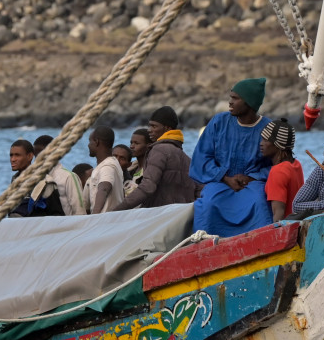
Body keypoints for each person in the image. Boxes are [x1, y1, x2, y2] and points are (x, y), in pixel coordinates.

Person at [189, 78, 274, 237]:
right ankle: (205, 247)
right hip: (220, 181)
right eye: (231, 97)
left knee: (260, 202)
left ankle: (262, 246)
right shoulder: (218, 122)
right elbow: (202, 158)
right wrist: (225, 177)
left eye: (235, 98)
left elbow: (277, 164)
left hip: (254, 183)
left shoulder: (268, 128)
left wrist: (251, 177)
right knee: (208, 204)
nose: (230, 102)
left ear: (249, 102)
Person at [114, 106, 197, 211]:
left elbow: (147, 187)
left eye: (154, 126)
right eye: (150, 126)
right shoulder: (185, 157)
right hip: (180, 216)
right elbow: (198, 190)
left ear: (167, 128)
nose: (149, 130)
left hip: (159, 215)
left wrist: (117, 210)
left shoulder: (158, 150)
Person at [260, 119, 304, 222]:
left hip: (287, 227)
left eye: (266, 140)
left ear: (278, 144)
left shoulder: (278, 171)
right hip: (298, 223)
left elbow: (278, 215)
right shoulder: (296, 164)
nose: (261, 144)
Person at [8, 139, 65, 217]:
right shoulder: (14, 181)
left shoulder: (45, 183)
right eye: (11, 155)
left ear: (30, 156)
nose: (13, 159)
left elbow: (57, 215)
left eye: (17, 155)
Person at [32, 135, 86, 216]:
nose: (38, 159)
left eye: (42, 155)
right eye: (36, 156)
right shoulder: (35, 179)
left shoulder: (69, 177)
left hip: (66, 226)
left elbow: (79, 210)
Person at [84, 126, 124, 214]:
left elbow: (104, 188)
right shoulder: (113, 163)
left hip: (104, 222)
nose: (88, 145)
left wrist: (95, 215)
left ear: (96, 142)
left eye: (90, 141)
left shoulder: (107, 166)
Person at [126, 128, 152, 195]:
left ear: (148, 146)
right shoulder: (131, 168)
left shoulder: (151, 170)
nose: (131, 146)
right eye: (131, 143)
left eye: (136, 143)